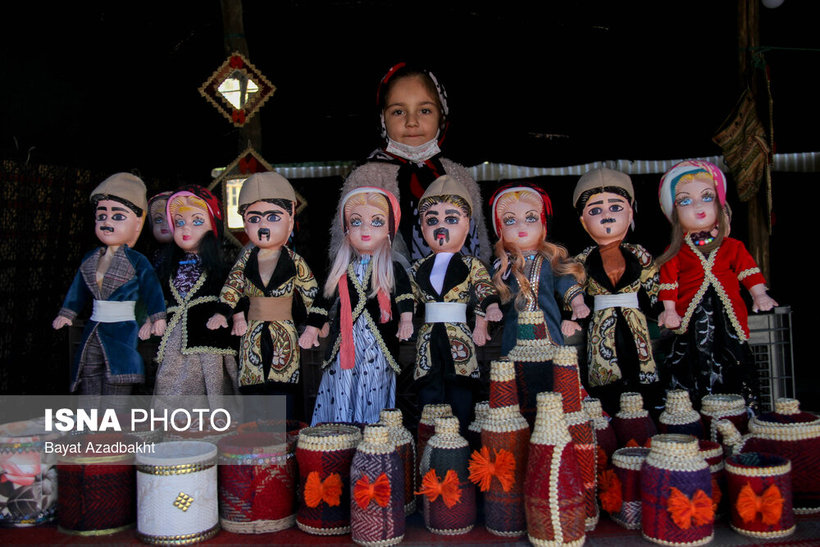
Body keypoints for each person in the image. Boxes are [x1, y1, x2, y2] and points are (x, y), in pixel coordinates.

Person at [328, 62, 491, 269]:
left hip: (455, 296)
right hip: (387, 293)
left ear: (442, 116)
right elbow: (343, 248)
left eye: (425, 110)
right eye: (398, 112)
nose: (411, 121)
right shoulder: (366, 178)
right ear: (382, 119)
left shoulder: (459, 176)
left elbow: (481, 248)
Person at [656, 159, 777, 412]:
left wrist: (759, 294)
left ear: (719, 204)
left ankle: (741, 411)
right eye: (685, 201)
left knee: (733, 357)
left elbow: (748, 272)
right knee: (693, 361)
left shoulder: (733, 247)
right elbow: (668, 283)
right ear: (674, 212)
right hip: (693, 319)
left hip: (728, 317)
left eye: (706, 197)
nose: (697, 206)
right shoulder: (676, 251)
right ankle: (696, 412)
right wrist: (669, 310)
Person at [207, 172, 318, 422]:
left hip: (284, 332)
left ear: (290, 221)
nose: (263, 227)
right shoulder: (245, 260)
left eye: (273, 218)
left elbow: (312, 293)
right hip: (252, 331)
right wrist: (222, 312)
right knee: (254, 387)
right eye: (254, 219)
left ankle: (282, 444)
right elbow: (232, 287)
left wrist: (314, 326)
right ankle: (255, 442)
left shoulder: (294, 261)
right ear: (245, 225)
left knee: (283, 388)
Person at [300, 187, 414, 425]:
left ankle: (372, 436)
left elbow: (404, 296)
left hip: (377, 343)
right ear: (346, 230)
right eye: (356, 222)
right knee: (342, 381)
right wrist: (312, 328)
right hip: (346, 342)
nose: (365, 230)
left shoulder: (392, 269)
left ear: (388, 231)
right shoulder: (341, 270)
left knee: (375, 384)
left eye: (376, 222)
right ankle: (340, 432)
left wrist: (406, 319)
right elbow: (323, 301)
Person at [53, 172, 166, 394]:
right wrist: (67, 313)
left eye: (118, 217)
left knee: (118, 376)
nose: (107, 223)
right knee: (90, 373)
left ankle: (112, 426)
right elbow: (78, 290)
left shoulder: (137, 261)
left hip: (122, 328)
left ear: (137, 223)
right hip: (94, 325)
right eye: (101, 216)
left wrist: (157, 318)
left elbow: (152, 291)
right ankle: (91, 425)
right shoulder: (91, 258)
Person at [489, 183, 588, 423]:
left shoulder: (550, 262)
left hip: (548, 330)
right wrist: (490, 308)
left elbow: (565, 282)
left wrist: (577, 303)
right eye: (510, 221)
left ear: (543, 224)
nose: (521, 227)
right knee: (516, 375)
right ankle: (520, 421)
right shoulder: (503, 267)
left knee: (552, 373)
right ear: (500, 230)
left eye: (530, 218)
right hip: (516, 332)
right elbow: (489, 294)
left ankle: (553, 420)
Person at [411, 175, 501, 433]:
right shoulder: (417, 268)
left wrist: (489, 309)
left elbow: (484, 288)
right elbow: (407, 298)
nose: (441, 227)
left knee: (461, 396)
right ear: (422, 227)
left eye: (451, 219)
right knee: (429, 396)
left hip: (459, 337)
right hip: (428, 340)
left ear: (467, 225)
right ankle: (429, 448)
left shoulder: (472, 265)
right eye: (432, 220)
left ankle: (460, 450)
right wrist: (403, 316)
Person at [572, 168, 662, 416]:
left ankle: (645, 421)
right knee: (605, 383)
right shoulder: (581, 260)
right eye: (595, 211)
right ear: (583, 220)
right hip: (601, 326)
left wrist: (665, 311)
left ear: (631, 212)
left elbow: (654, 288)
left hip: (636, 323)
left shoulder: (640, 253)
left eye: (615, 207)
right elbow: (571, 292)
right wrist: (568, 315)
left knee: (642, 377)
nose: (606, 216)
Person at [153, 185, 238, 406]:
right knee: (169, 382)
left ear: (213, 226)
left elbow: (235, 294)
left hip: (208, 337)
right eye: (179, 222)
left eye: (197, 221)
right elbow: (157, 297)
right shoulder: (168, 268)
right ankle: (171, 430)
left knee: (211, 384)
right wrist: (153, 319)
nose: (185, 228)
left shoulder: (220, 268)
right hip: (174, 340)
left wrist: (235, 317)